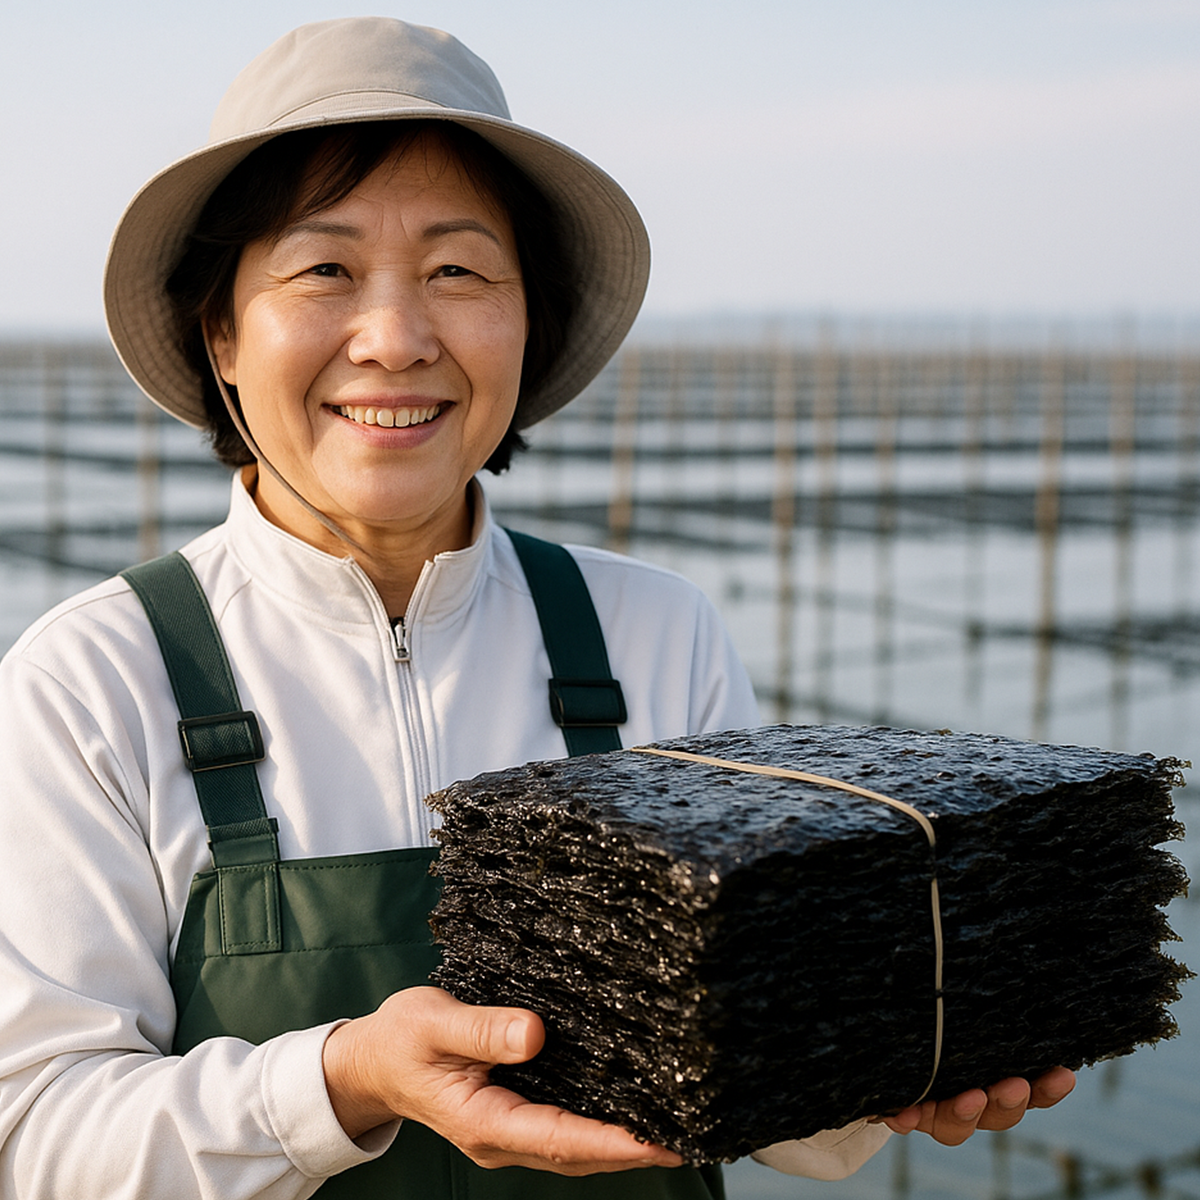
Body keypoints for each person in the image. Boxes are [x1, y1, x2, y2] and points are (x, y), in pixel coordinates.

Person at [0, 17, 1074, 1199]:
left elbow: (775, 1104)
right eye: (325, 269)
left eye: (459, 270)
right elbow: (39, 1138)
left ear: (528, 323)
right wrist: (346, 1078)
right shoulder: (94, 679)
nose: (398, 338)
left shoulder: (656, 633)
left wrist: (893, 1054)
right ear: (222, 333)